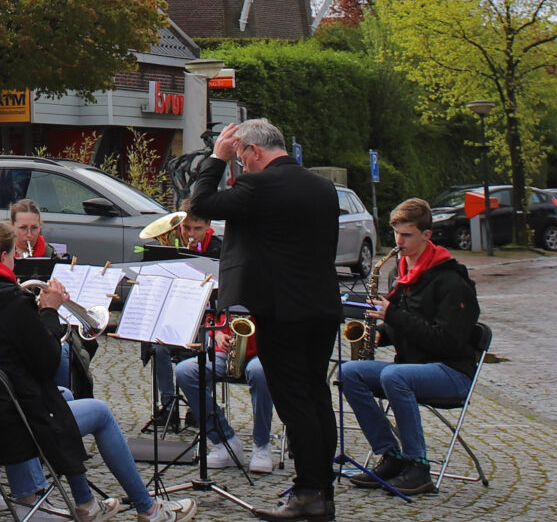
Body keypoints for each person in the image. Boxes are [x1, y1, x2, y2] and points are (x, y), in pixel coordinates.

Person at [0, 221, 193, 522]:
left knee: (63, 396)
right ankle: (148, 509)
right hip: (12, 424)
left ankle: (83, 502)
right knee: (100, 412)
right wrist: (49, 311)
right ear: (4, 256)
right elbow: (49, 362)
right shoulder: (9, 301)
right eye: (14, 255)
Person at [186, 119, 342, 521]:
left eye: (241, 158)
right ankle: (321, 488)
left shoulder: (259, 186)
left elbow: (201, 204)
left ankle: (309, 493)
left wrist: (216, 158)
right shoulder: (322, 187)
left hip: (282, 311)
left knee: (294, 401)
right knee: (316, 395)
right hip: (322, 307)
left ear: (254, 151)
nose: (241, 165)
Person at [339, 198, 479, 497]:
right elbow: (408, 325)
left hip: (451, 371)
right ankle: (391, 455)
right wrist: (383, 334)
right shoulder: (401, 273)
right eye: (396, 234)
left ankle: (419, 466)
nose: (398, 242)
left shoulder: (451, 281)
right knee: (350, 372)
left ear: (427, 235)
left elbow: (447, 341)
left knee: (394, 376)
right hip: (412, 367)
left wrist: (393, 316)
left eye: (407, 235)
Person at [172, 322, 276, 474]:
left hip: (261, 352)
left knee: (260, 372)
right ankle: (225, 441)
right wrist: (218, 334)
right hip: (226, 352)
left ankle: (262, 446)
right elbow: (210, 318)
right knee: (185, 371)